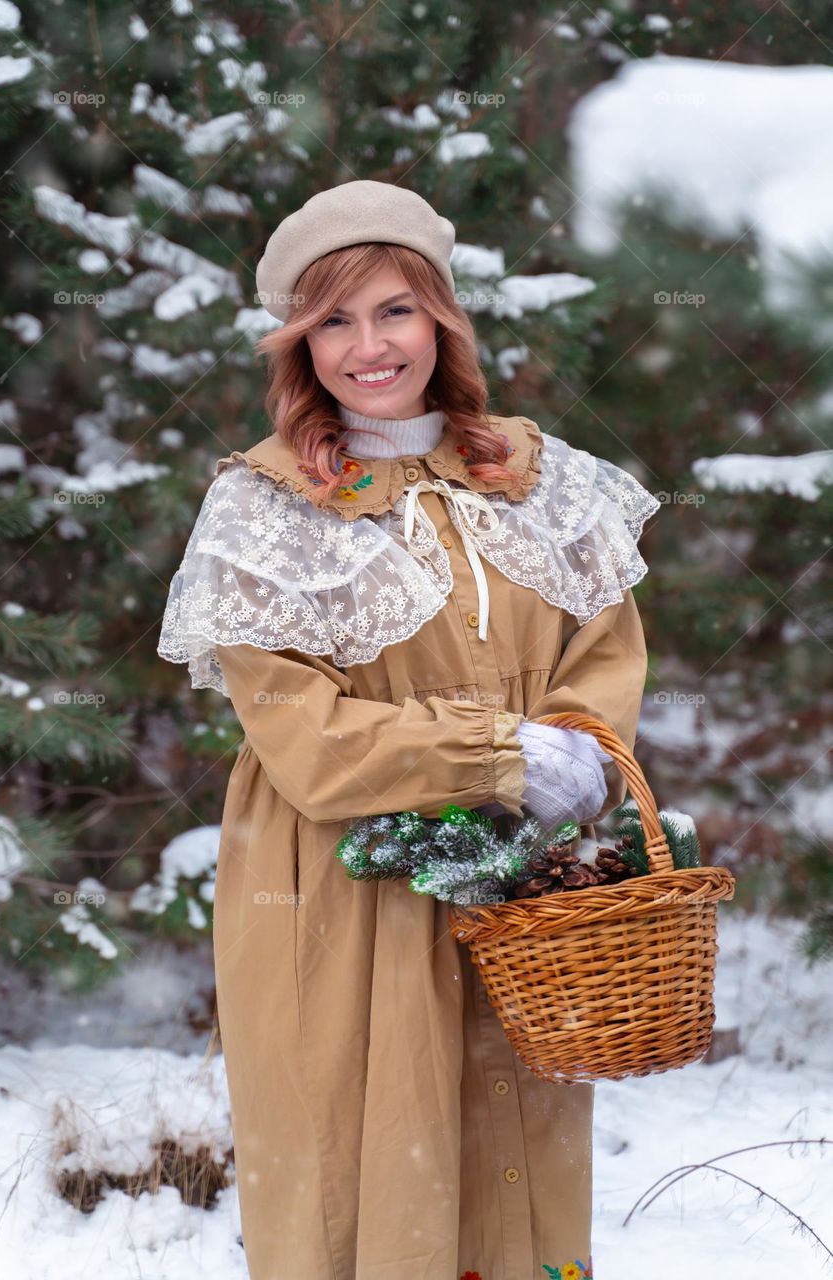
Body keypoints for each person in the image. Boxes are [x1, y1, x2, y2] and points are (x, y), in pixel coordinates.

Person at [157, 179, 661, 1280]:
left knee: (516, 1147)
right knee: (362, 1160)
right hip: (337, 886)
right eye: (332, 318)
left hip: (523, 882)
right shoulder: (265, 507)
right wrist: (489, 754)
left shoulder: (535, 477)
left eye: (393, 308)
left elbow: (606, 649)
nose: (368, 344)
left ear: (440, 315)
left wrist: (577, 747)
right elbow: (299, 728)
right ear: (298, 341)